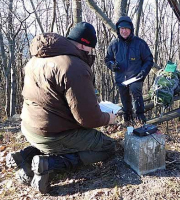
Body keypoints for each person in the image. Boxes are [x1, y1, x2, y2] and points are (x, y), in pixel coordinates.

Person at [6, 22, 117, 194]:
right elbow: (88, 119)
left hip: (30, 127)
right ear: (83, 44)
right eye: (90, 48)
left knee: (58, 141)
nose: (90, 52)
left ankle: (26, 156)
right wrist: (108, 118)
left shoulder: (37, 58)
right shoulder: (73, 66)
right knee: (108, 146)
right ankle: (51, 164)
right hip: (52, 134)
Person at [105, 16, 154, 126]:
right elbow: (108, 59)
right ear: (118, 30)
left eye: (127, 28)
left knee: (136, 93)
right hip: (121, 78)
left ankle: (140, 119)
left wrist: (143, 72)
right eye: (122, 28)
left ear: (131, 29)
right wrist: (112, 66)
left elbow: (149, 60)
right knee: (125, 100)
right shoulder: (114, 44)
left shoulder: (140, 43)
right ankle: (128, 121)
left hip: (136, 76)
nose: (124, 31)